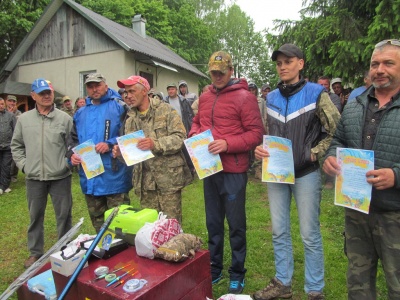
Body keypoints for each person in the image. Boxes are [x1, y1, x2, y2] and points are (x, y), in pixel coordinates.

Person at [253, 44, 340, 300]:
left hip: (306, 172)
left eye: (288, 62)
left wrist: (316, 151)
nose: (282, 67)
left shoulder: (316, 93)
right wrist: (261, 149)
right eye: (279, 63)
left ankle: (314, 290)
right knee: (279, 230)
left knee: (309, 234)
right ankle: (283, 283)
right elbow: (269, 133)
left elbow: (336, 129)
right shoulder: (271, 98)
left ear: (300, 64)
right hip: (277, 173)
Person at [323, 39, 400, 300]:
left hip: (395, 213)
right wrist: (331, 158)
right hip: (357, 209)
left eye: (388, 63)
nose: (379, 69)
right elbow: (339, 141)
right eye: (374, 64)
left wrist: (396, 175)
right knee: (358, 281)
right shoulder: (356, 104)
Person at [189, 51, 264, 294]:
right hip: (209, 167)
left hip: (233, 170)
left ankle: (237, 271)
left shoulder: (245, 97)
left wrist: (227, 144)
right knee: (213, 222)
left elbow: (255, 134)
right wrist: (194, 136)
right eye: (214, 72)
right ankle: (214, 266)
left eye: (222, 72)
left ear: (231, 71)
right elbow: (197, 122)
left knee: (236, 224)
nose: (218, 76)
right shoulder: (205, 96)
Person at [11, 78, 73, 268]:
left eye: (49, 92)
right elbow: (16, 146)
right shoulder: (23, 120)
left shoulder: (65, 118)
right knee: (35, 215)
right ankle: (35, 252)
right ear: (33, 96)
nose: (46, 96)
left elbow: (72, 147)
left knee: (64, 215)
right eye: (42, 93)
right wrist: (24, 166)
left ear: (53, 94)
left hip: (60, 177)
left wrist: (67, 164)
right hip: (34, 178)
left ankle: (65, 248)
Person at [113, 75, 192, 223]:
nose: (127, 96)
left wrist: (155, 144)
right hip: (145, 184)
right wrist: (120, 154)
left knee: (170, 227)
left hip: (168, 181)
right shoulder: (130, 120)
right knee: (150, 229)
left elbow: (180, 138)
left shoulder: (166, 110)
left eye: (131, 91)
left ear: (144, 91)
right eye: (125, 92)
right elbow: (132, 155)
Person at [68, 73, 132, 233]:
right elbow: (72, 140)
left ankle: (122, 256)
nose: (94, 89)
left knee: (121, 225)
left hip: (114, 176)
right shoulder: (80, 113)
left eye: (97, 85)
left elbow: (131, 136)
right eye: (90, 86)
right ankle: (104, 252)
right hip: (90, 177)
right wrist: (72, 155)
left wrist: (110, 144)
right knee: (99, 226)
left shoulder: (120, 107)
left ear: (105, 85)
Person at [0, 97, 16, 194]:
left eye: (2, 104)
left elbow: (15, 130)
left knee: (6, 166)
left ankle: (5, 186)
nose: (0, 106)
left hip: (7, 146)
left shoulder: (11, 116)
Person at [6, 95, 21, 182]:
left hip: (14, 139)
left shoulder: (19, 113)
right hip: (5, 139)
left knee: (15, 158)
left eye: (14, 101)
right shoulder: (2, 112)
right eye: (10, 101)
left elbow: (18, 124)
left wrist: (11, 114)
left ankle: (13, 175)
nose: (12, 103)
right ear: (6, 102)